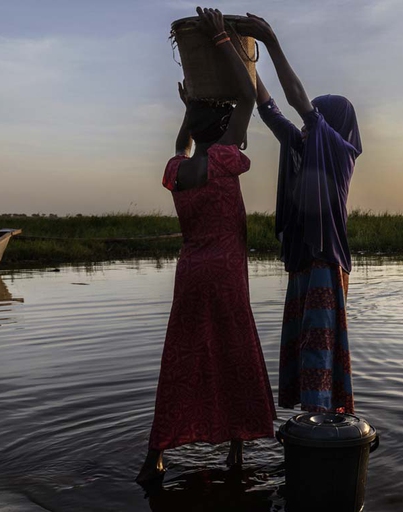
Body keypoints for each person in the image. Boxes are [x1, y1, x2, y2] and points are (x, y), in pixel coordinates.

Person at [137, 7, 276, 488]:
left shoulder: (178, 172)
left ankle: (155, 455)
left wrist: (187, 106)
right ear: (219, 132)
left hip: (190, 275)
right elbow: (246, 97)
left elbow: (182, 144)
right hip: (225, 276)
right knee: (234, 355)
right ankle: (237, 451)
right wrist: (221, 39)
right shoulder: (223, 159)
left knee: (181, 358)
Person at [240, 13, 359, 414]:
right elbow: (271, 110)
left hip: (326, 262)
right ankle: (313, 421)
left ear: (332, 126)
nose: (307, 127)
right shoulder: (303, 144)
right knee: (304, 345)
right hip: (304, 262)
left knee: (317, 348)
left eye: (317, 121)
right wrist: (245, 61)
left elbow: (295, 102)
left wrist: (271, 41)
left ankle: (322, 427)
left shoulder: (340, 153)